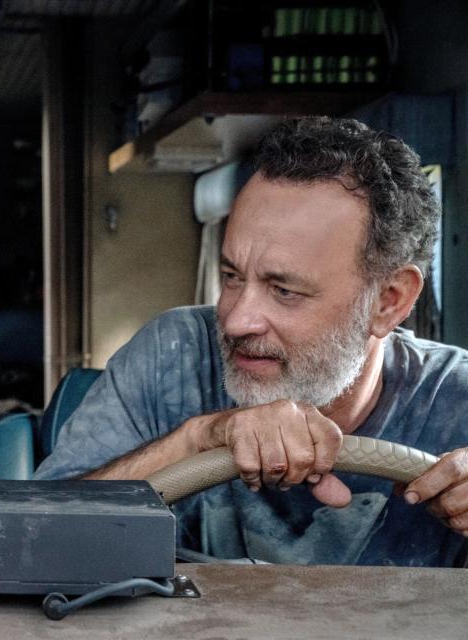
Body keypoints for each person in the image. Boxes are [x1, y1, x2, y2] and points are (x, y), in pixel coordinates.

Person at [34, 116, 468, 566]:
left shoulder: (457, 400)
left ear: (388, 302)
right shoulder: (170, 355)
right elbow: (26, 537)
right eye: (232, 277)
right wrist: (196, 441)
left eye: (284, 290)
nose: (237, 321)